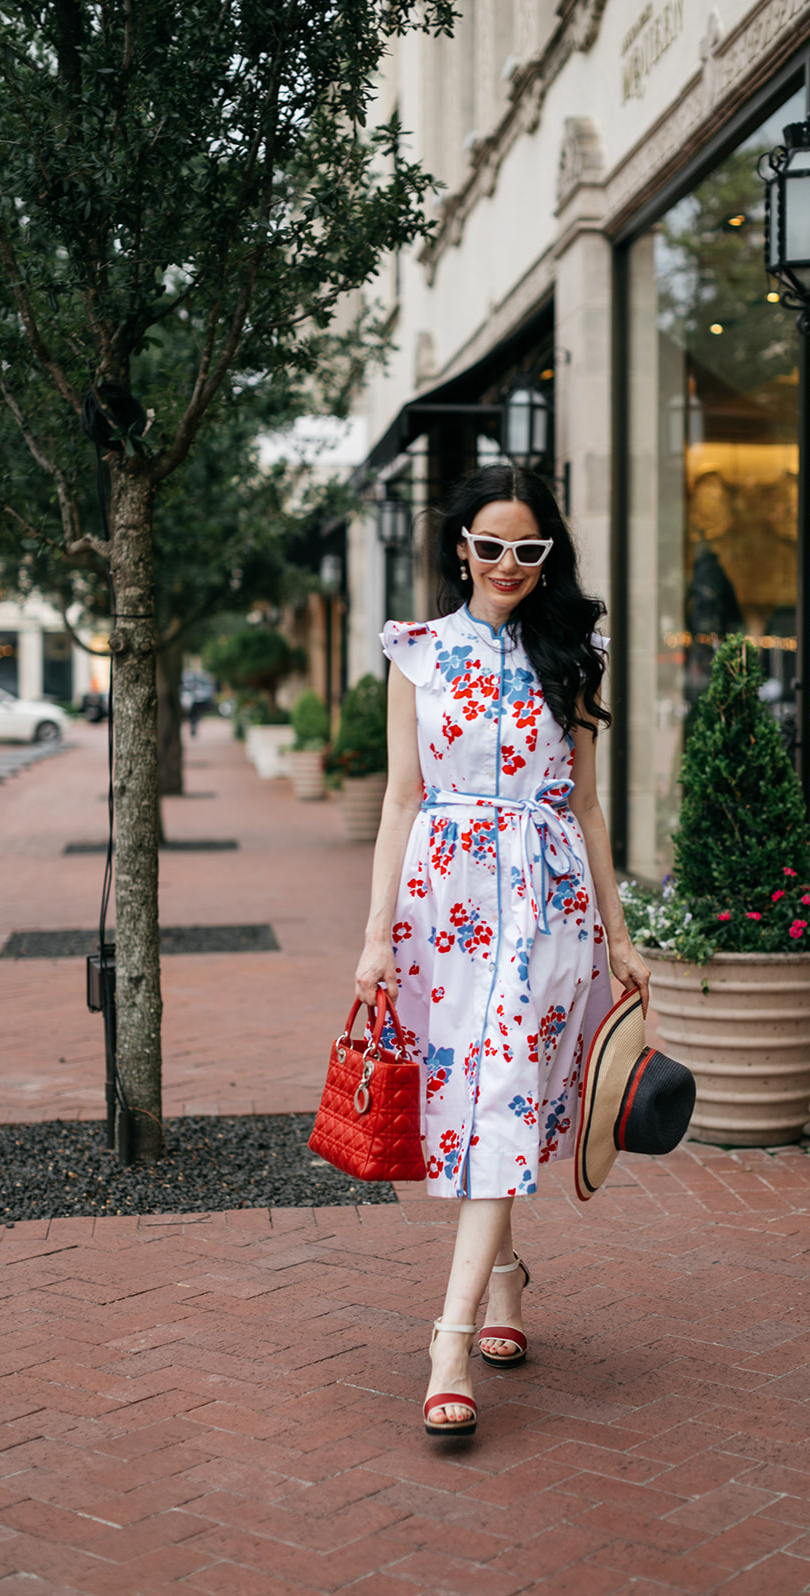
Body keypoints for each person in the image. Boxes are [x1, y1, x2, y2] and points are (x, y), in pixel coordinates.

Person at [354, 464, 651, 1438]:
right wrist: (371, 940)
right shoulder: (417, 654)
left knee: (501, 1096)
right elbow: (400, 798)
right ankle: (508, 1276)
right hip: (441, 907)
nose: (509, 564)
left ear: (547, 553)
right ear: (459, 549)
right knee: (483, 1100)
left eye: (529, 548)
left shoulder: (573, 652)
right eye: (490, 546)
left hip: (545, 904)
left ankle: (449, 1341)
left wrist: (617, 933)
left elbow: (587, 804)